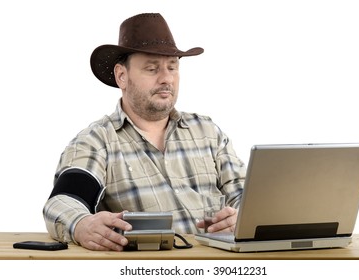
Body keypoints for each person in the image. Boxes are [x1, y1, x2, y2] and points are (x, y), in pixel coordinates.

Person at [43, 13, 246, 251]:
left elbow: (245, 196)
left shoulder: (208, 132)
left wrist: (241, 218)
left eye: (172, 67)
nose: (166, 78)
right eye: (152, 69)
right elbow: (62, 202)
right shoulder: (97, 141)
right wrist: (82, 224)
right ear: (122, 76)